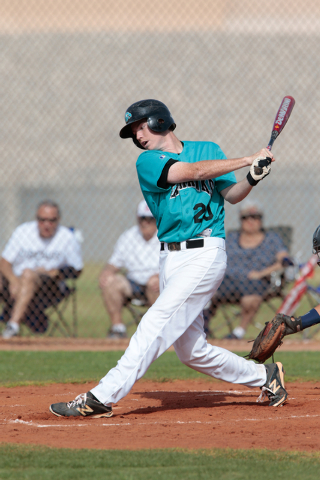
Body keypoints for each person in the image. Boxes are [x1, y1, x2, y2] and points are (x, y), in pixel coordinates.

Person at [49, 99, 288, 419]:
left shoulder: (209, 148)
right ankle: (266, 377)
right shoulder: (147, 161)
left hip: (205, 253)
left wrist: (252, 177)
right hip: (170, 258)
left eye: (140, 126)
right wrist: (248, 158)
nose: (138, 135)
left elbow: (231, 195)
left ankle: (101, 397)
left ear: (160, 121)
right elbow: (191, 172)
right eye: (133, 131)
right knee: (192, 351)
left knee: (154, 323)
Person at [203, 200, 288, 339]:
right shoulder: (231, 238)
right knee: (205, 288)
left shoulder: (272, 239)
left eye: (255, 217)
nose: (250, 221)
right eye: (245, 217)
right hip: (228, 280)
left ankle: (238, 332)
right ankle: (203, 329)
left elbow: (284, 260)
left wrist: (261, 274)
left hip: (255, 282)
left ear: (261, 220)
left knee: (251, 297)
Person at [0, 200, 83, 339]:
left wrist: (58, 272)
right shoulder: (23, 231)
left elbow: (77, 270)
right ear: (36, 219)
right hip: (16, 283)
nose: (46, 225)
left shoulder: (66, 237)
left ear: (58, 220)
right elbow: (4, 262)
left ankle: (13, 326)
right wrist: (14, 281)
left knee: (28, 274)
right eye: (42, 220)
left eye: (52, 221)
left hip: (48, 287)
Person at [99, 199, 160, 339]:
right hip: (133, 283)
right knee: (111, 281)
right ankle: (118, 329)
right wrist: (107, 272)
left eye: (150, 219)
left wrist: (160, 275)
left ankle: (157, 330)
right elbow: (114, 263)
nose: (146, 222)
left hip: (158, 283)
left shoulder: (167, 236)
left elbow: (176, 265)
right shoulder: (128, 236)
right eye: (142, 218)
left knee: (154, 283)